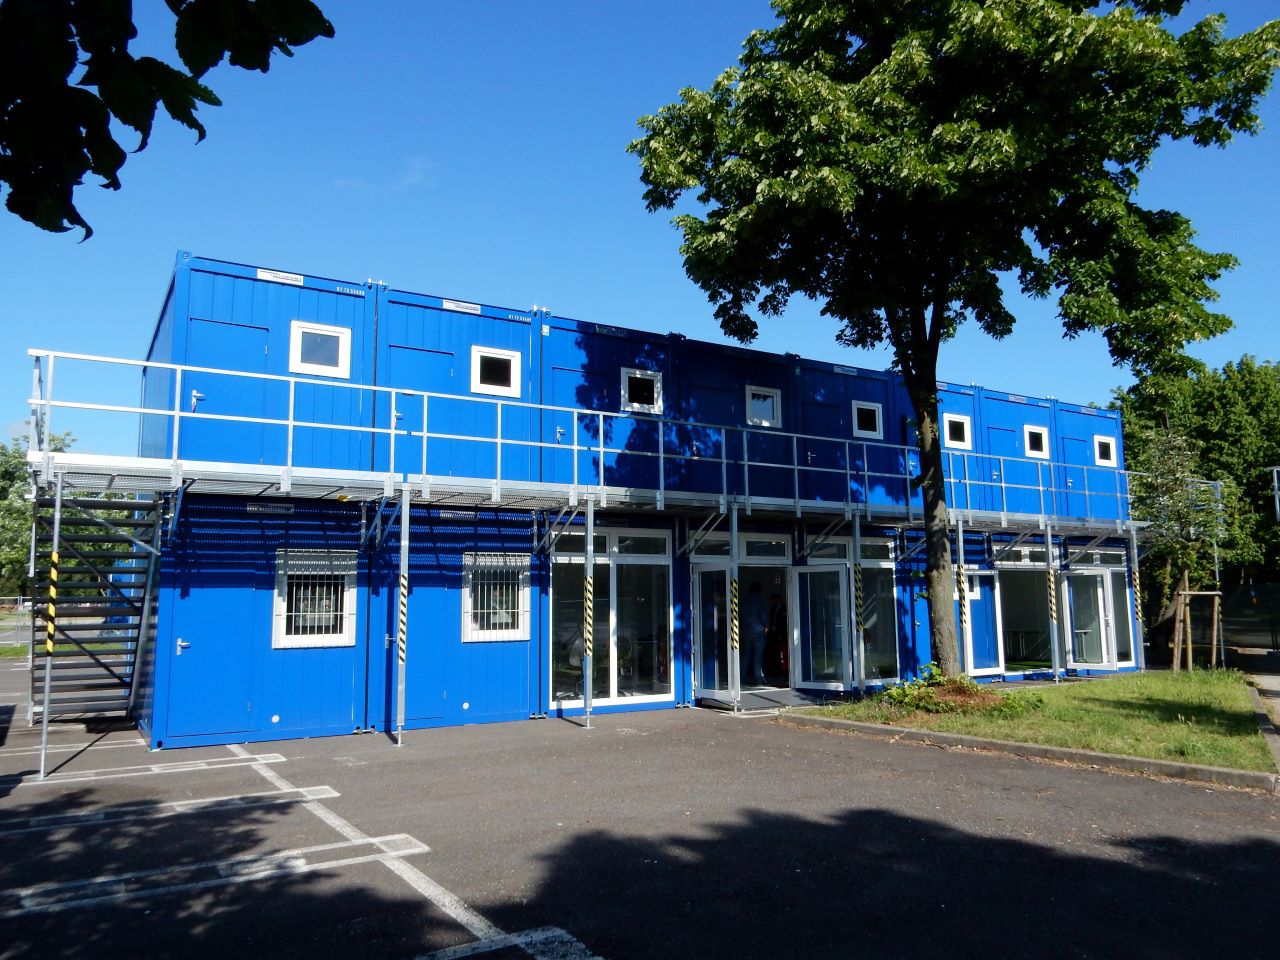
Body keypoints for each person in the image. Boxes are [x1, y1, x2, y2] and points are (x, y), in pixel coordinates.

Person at [743, 581, 769, 685]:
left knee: (745, 656)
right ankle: (758, 678)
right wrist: (766, 626)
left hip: (745, 631)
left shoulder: (744, 600)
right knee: (758, 656)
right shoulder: (760, 599)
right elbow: (763, 614)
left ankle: (741, 678)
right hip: (758, 631)